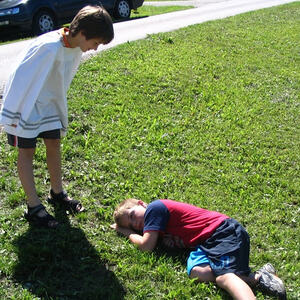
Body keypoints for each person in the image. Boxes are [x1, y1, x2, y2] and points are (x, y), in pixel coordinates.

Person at [0, 5, 114, 229]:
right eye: (96, 43)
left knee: (54, 142)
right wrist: (14, 112)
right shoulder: (48, 48)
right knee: (27, 151)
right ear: (82, 34)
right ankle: (33, 207)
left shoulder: (74, 47)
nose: (95, 49)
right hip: (27, 105)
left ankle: (57, 193)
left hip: (49, 104)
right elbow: (22, 77)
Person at [112, 198, 287, 300]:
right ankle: (258, 277)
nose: (136, 223)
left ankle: (253, 283)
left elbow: (146, 246)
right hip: (207, 244)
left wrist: (126, 231)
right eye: (133, 225)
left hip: (222, 232)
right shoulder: (160, 229)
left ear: (142, 204)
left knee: (224, 278)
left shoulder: (154, 208)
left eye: (132, 215)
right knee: (198, 272)